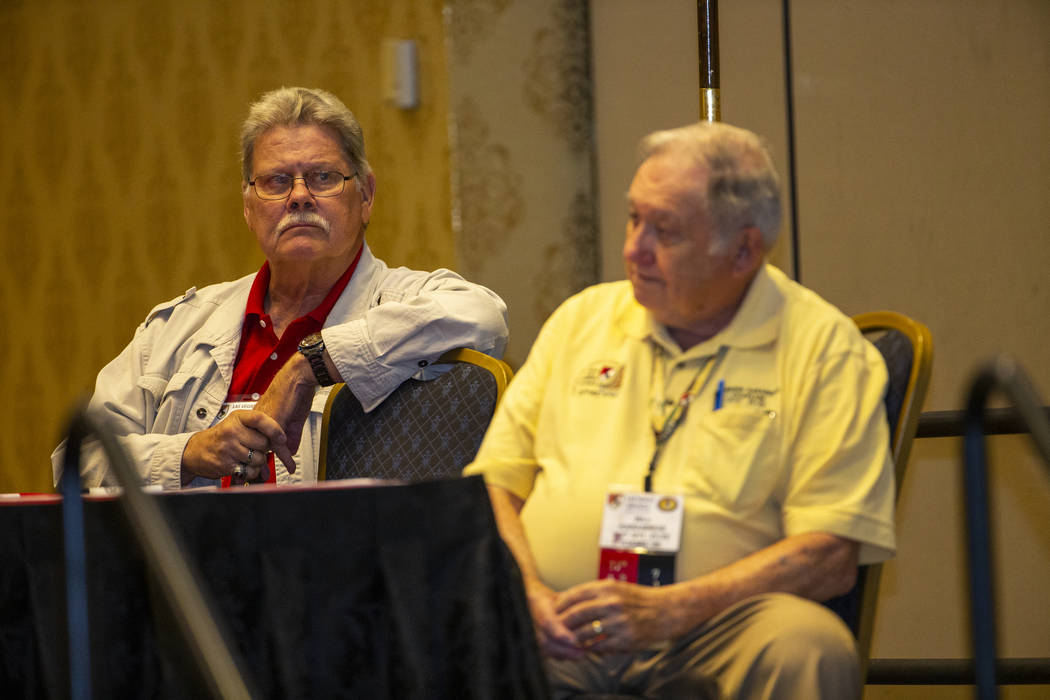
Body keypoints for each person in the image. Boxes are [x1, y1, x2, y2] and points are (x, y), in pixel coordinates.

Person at [464, 121, 895, 699]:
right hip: (557, 625)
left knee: (807, 648)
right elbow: (495, 487)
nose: (633, 249)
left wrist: (671, 609)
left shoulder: (824, 349)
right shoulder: (582, 320)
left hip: (717, 626)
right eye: (634, 217)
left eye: (664, 231)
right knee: (438, 626)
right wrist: (529, 595)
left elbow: (829, 553)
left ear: (745, 249)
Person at [53, 86, 508, 490]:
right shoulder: (177, 328)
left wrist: (308, 366)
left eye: (324, 177)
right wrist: (189, 453)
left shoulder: (407, 298)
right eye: (275, 181)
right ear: (248, 207)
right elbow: (78, 462)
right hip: (185, 578)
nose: (299, 195)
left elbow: (485, 318)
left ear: (366, 195)